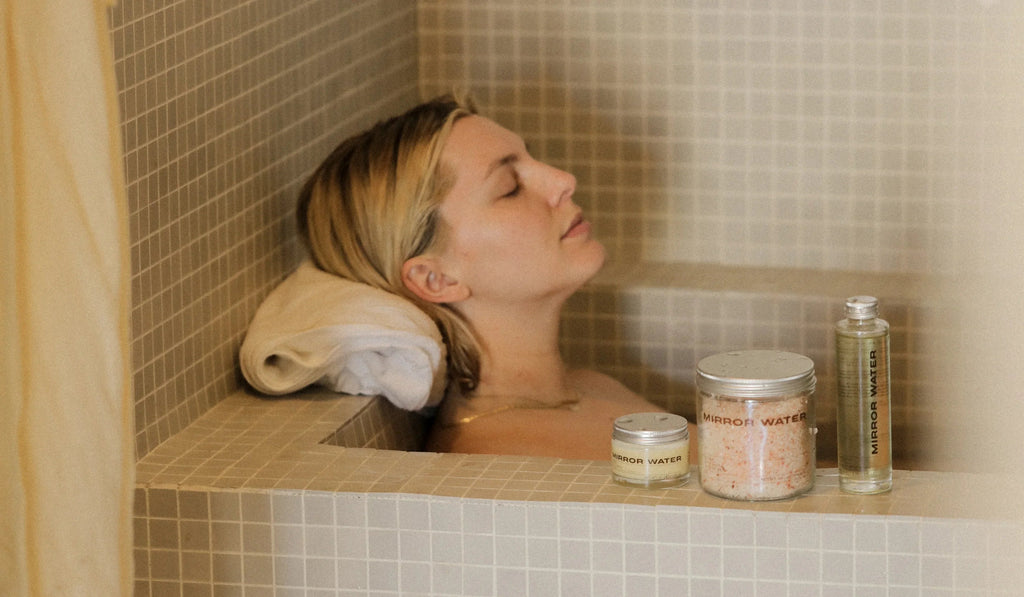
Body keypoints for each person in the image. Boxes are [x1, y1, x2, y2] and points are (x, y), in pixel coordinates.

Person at [296, 94, 672, 460]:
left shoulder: (589, 387)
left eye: (533, 160)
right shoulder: (504, 459)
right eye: (510, 188)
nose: (563, 180)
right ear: (435, 279)